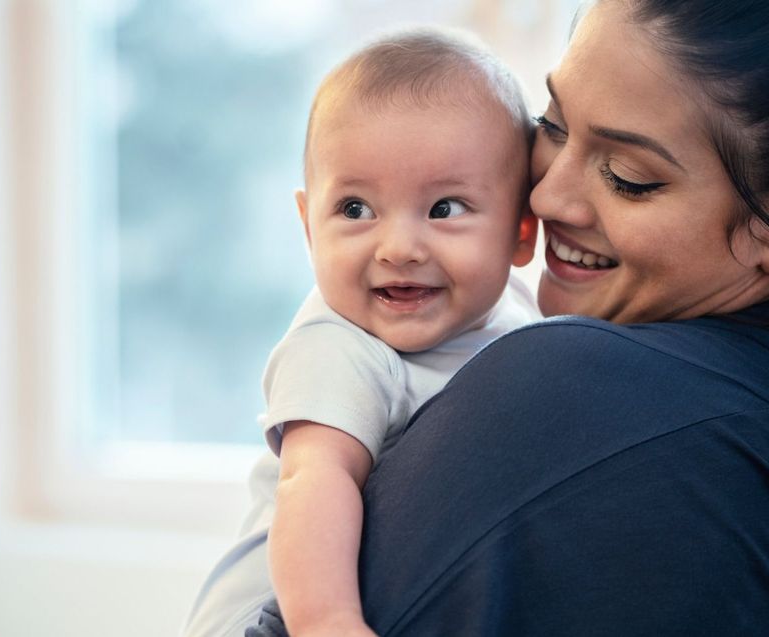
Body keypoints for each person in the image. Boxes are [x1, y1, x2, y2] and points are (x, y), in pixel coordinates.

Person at [246, 0, 769, 635]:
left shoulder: (568, 380)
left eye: (628, 177)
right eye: (550, 126)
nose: (544, 195)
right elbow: (309, 482)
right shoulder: (339, 348)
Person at [182, 28, 540, 637]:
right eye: (355, 209)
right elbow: (314, 480)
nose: (398, 248)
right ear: (307, 225)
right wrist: (329, 622)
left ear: (521, 232)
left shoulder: (517, 308)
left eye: (445, 208)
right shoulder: (339, 347)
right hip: (276, 618)